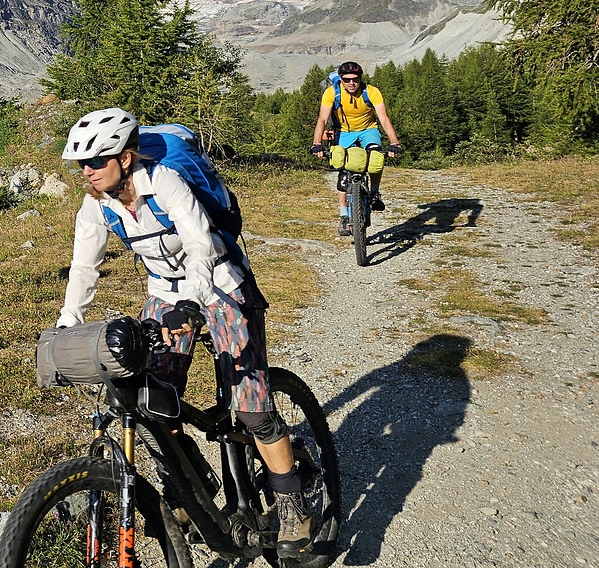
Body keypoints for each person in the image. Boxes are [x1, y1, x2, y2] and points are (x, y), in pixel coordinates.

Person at [56, 107, 314, 560]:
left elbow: (198, 243)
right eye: (83, 164)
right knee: (153, 400)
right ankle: (193, 486)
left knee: (251, 407)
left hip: (220, 285)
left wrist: (196, 301)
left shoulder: (166, 182)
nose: (88, 171)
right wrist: (67, 322)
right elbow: (83, 267)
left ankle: (293, 505)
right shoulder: (96, 206)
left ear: (128, 157)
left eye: (97, 161)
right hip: (164, 294)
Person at [310, 60, 402, 236]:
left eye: (355, 79)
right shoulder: (332, 93)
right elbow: (322, 119)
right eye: (347, 80)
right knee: (343, 172)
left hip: (368, 129)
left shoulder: (371, 92)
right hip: (344, 132)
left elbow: (383, 118)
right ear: (341, 80)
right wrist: (317, 144)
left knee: (375, 156)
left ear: (360, 79)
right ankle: (344, 215)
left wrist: (394, 142)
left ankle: (374, 193)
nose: (351, 83)